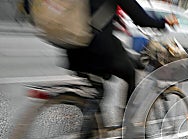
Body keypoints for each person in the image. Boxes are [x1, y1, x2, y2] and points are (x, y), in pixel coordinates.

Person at [66, 0, 178, 128]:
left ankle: (90, 132)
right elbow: (140, 18)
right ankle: (127, 123)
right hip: (96, 48)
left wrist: (114, 17)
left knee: (98, 90)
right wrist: (164, 22)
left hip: (73, 48)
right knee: (130, 73)